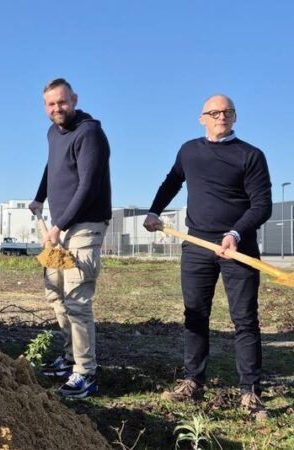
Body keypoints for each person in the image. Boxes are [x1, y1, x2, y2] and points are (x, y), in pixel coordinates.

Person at [143, 94, 272, 421]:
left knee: (244, 319)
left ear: (235, 116)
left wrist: (235, 234)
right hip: (196, 244)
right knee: (195, 314)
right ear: (202, 117)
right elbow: (172, 181)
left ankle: (250, 391)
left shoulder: (251, 156)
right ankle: (193, 380)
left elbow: (262, 206)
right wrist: (154, 210)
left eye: (227, 112)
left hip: (237, 248)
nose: (221, 117)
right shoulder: (189, 151)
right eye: (214, 112)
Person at [30, 78, 111, 398]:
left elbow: (88, 184)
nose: (57, 109)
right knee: (56, 295)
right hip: (60, 228)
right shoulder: (53, 132)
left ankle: (85, 372)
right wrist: (39, 197)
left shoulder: (89, 133)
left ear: (74, 99)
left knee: (77, 299)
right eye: (51, 104)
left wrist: (58, 224)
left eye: (62, 102)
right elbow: (52, 168)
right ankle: (69, 358)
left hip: (84, 227)